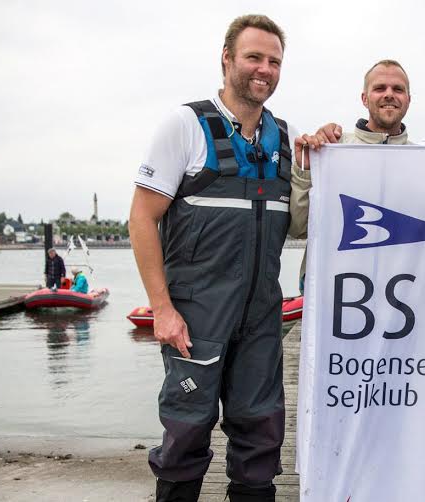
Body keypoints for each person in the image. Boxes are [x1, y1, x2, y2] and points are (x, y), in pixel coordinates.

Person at [129, 14, 304, 502]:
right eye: (253, 56)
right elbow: (141, 219)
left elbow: (308, 215)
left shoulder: (284, 140)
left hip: (261, 318)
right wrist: (161, 308)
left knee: (260, 440)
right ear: (226, 58)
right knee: (186, 435)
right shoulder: (185, 125)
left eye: (274, 60)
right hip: (196, 315)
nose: (264, 69)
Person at [288, 59, 414, 290]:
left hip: (399, 287)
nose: (389, 94)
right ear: (365, 98)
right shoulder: (331, 148)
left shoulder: (424, 161)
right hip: (333, 287)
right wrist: (304, 169)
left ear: (408, 99)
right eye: (379, 88)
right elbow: (298, 228)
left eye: (398, 89)